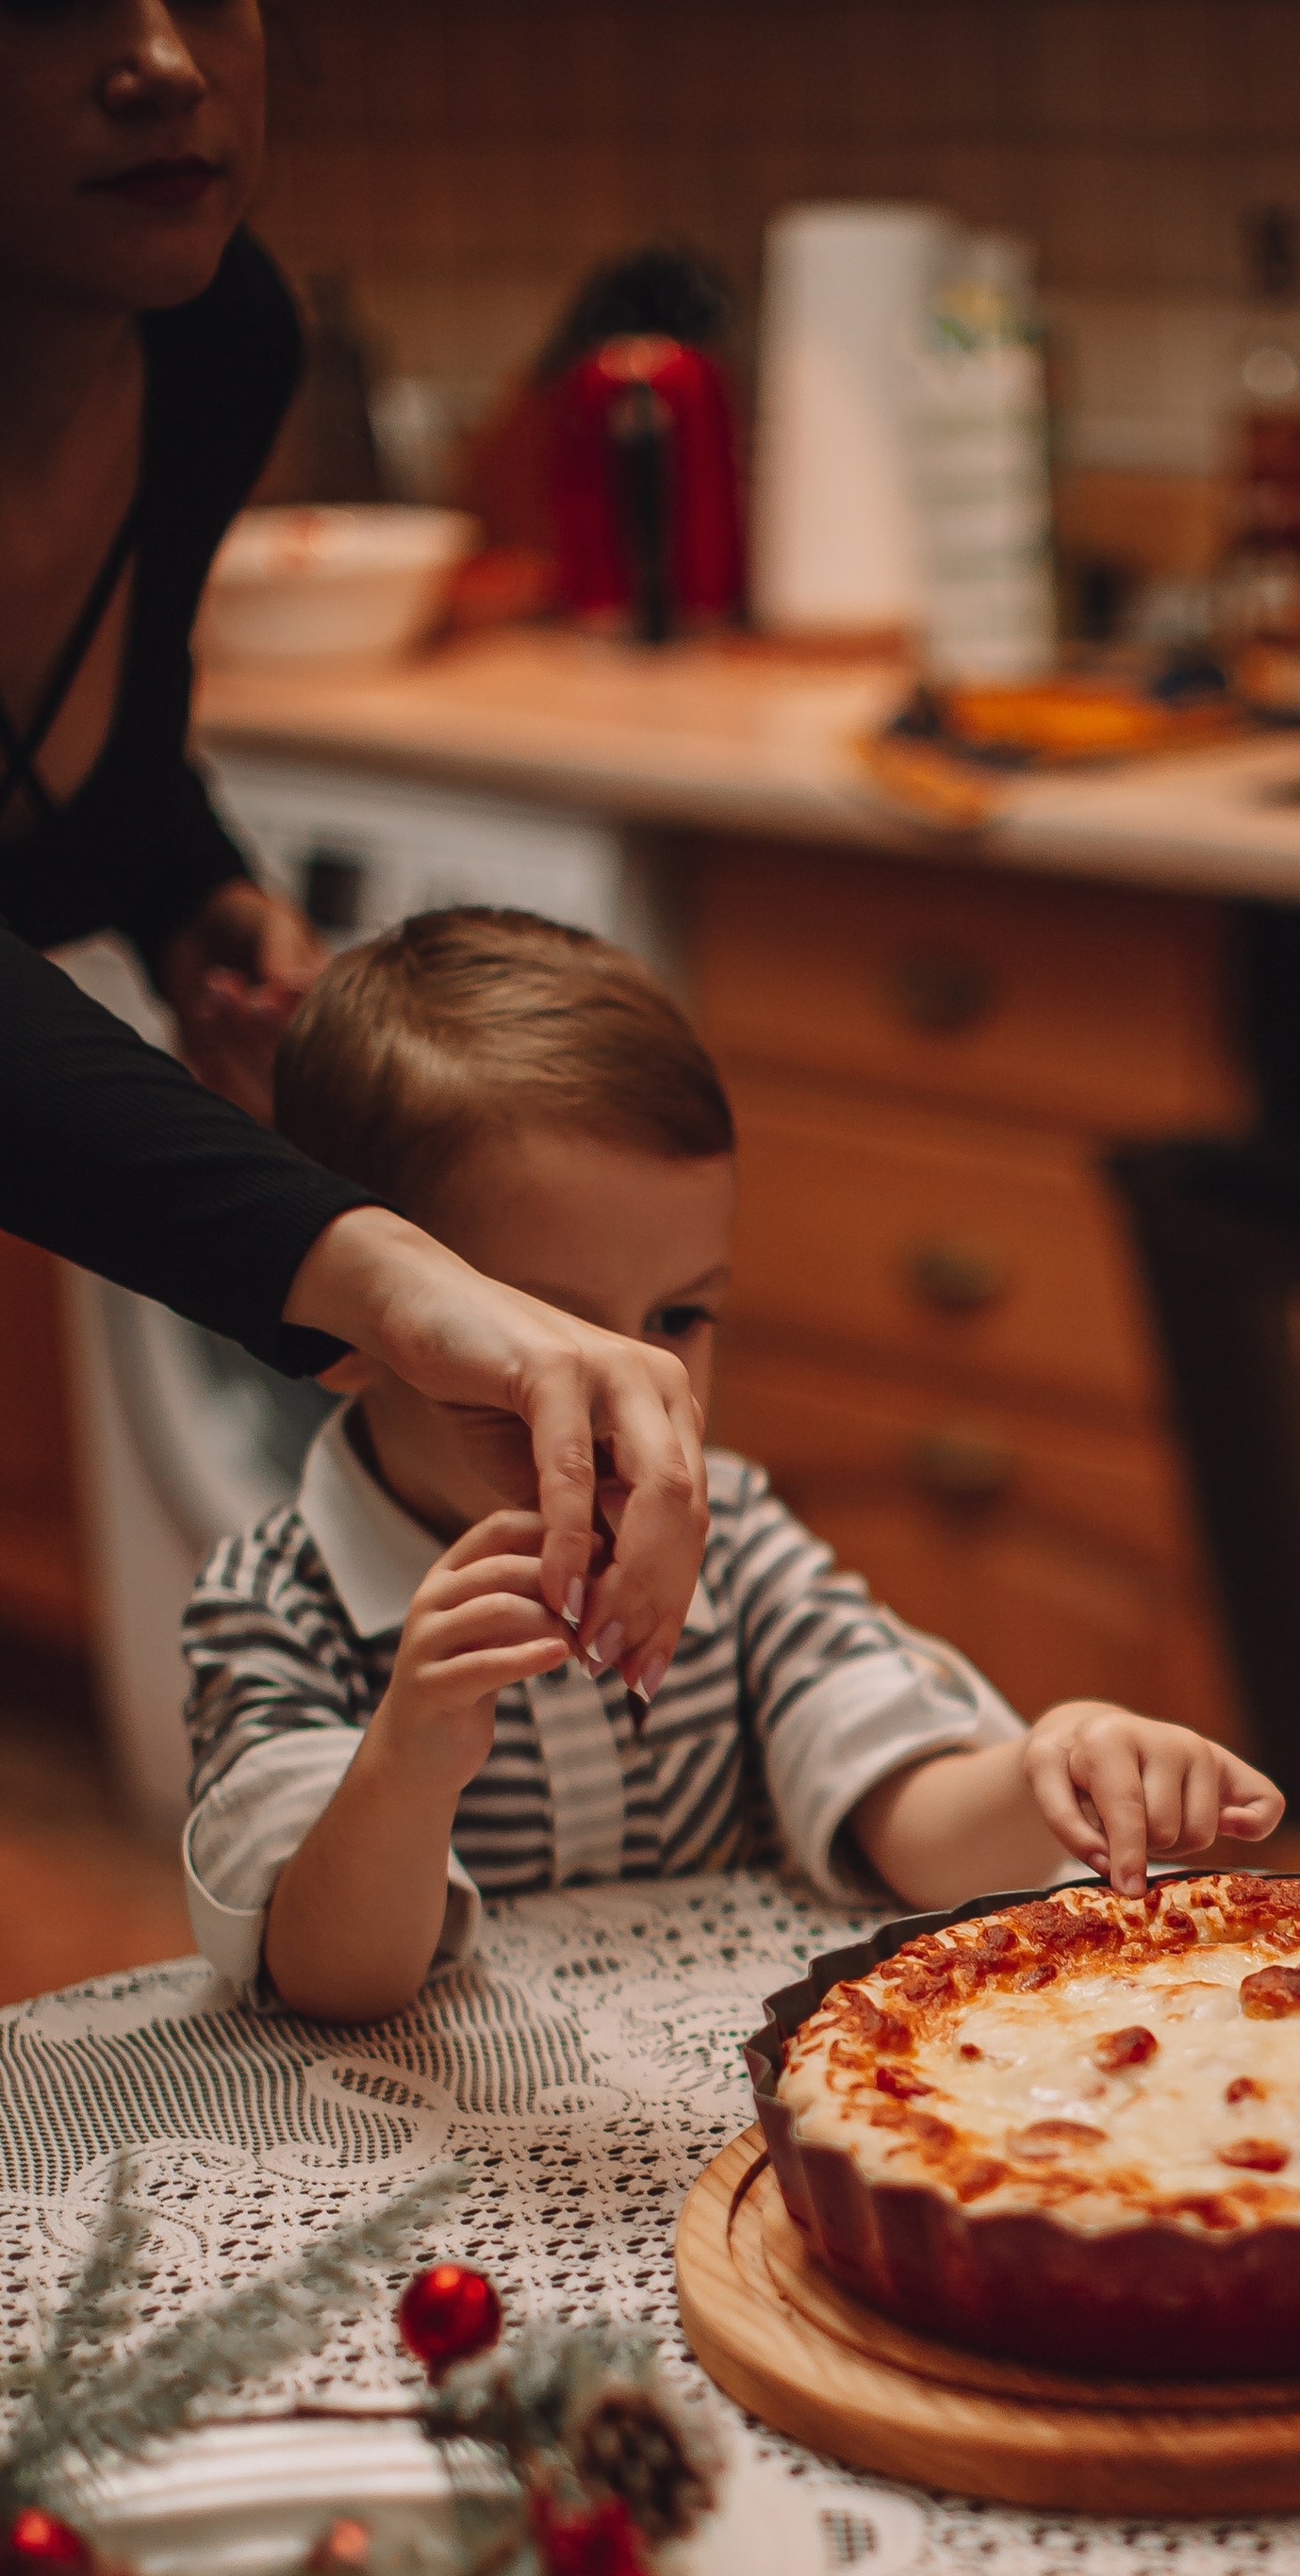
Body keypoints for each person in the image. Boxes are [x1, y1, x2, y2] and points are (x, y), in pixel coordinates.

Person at [179, 912, 1285, 2022]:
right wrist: (410, 1760)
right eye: (545, 1334)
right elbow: (332, 1979)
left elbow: (916, 1827)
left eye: (679, 1314)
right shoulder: (275, 1605)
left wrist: (1058, 1767)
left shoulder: (739, 1542)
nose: (637, 1382)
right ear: (355, 1329)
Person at [1, 0, 706, 1688]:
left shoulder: (217, 336)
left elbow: (94, 738)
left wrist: (195, 905)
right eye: (53, 2)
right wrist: (381, 1270)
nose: (163, 61)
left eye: (208, 1)